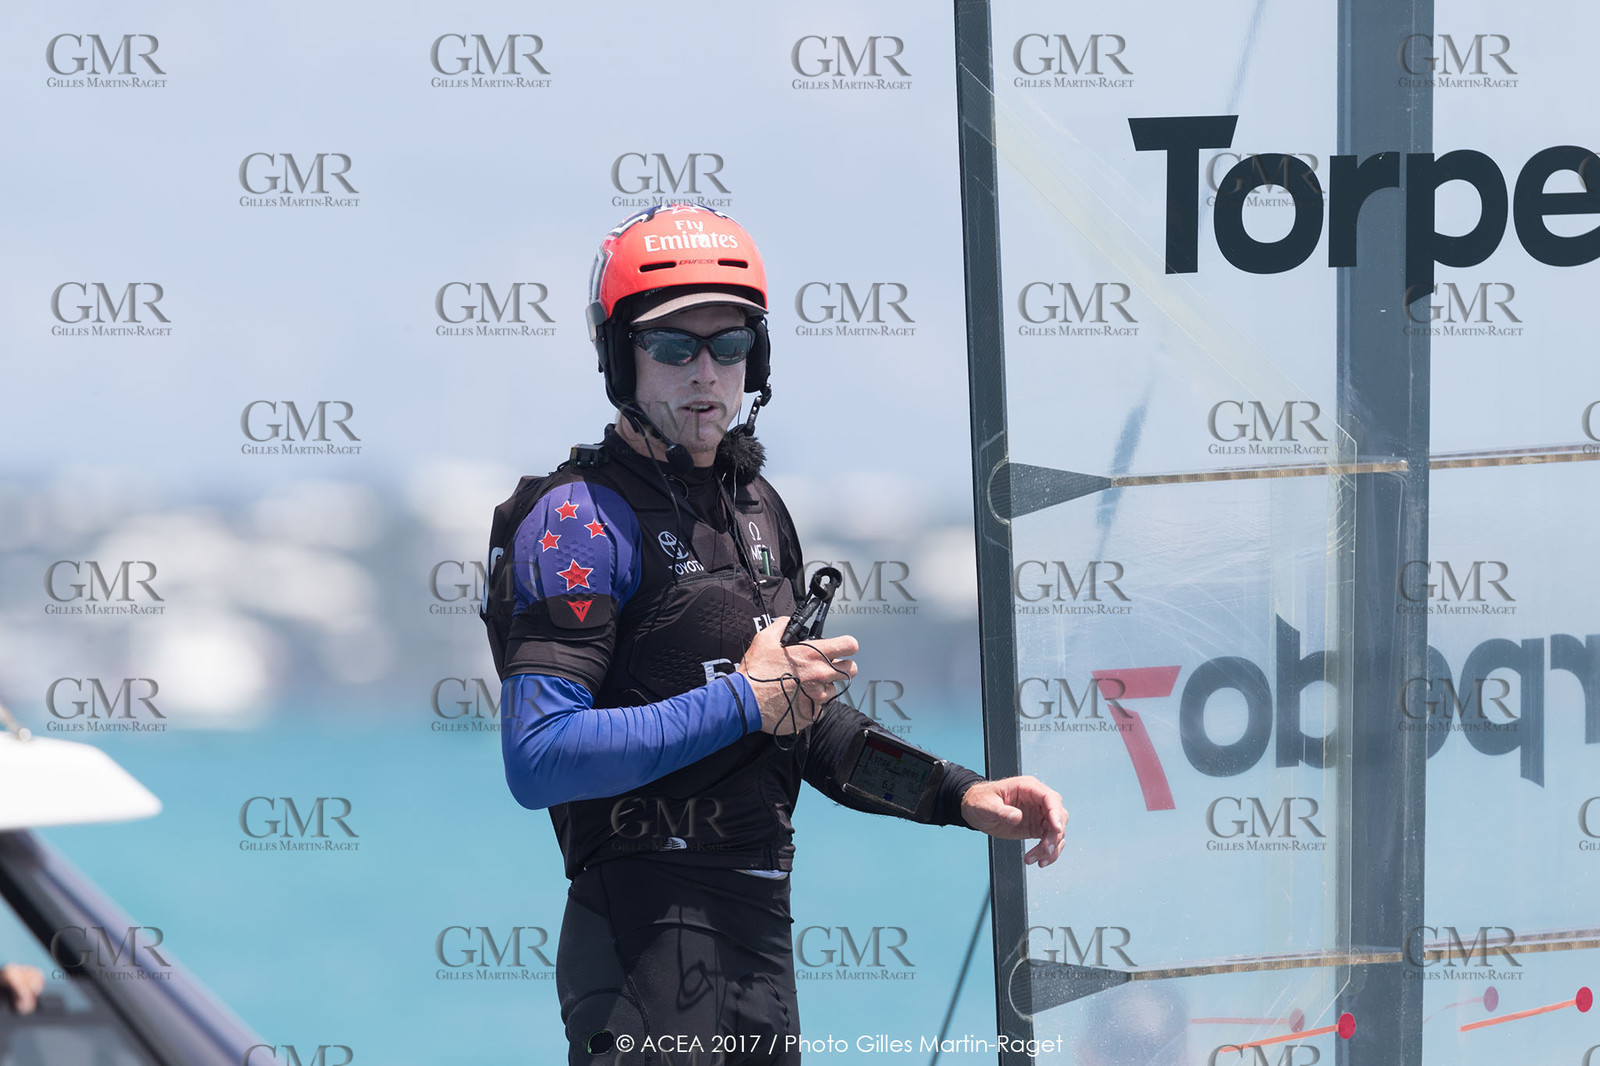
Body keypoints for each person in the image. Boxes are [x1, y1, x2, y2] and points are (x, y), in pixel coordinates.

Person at [481, 203, 1067, 1064]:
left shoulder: (758, 511)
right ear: (620, 357)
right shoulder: (577, 518)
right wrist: (743, 699)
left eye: (730, 343)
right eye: (673, 346)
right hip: (640, 946)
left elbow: (804, 729)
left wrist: (959, 797)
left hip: (759, 950)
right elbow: (539, 756)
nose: (705, 372)